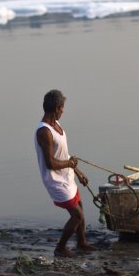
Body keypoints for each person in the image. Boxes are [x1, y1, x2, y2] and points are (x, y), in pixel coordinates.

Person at [35, 89, 96, 257]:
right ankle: (60, 248)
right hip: (55, 181)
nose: (63, 111)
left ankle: (82, 243)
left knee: (80, 207)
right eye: (62, 108)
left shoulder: (57, 125)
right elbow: (50, 163)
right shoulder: (44, 131)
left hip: (67, 176)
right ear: (56, 108)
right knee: (77, 215)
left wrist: (77, 171)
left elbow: (63, 154)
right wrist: (69, 163)